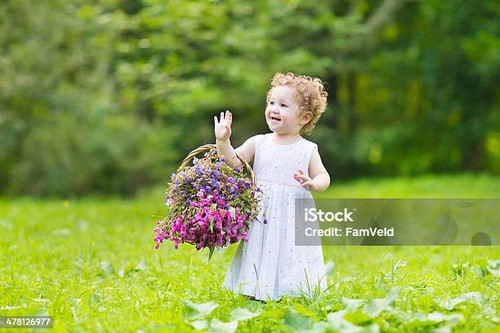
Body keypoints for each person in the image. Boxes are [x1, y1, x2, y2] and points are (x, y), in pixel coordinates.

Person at [214, 72, 330, 301]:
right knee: (260, 247)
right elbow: (233, 162)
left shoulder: (308, 149)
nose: (274, 108)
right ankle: (255, 288)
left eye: (283, 105)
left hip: (293, 213)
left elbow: (324, 176)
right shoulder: (260, 142)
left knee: (293, 253)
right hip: (263, 212)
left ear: (304, 117)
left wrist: (313, 183)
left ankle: (293, 290)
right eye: (271, 102)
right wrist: (223, 141)